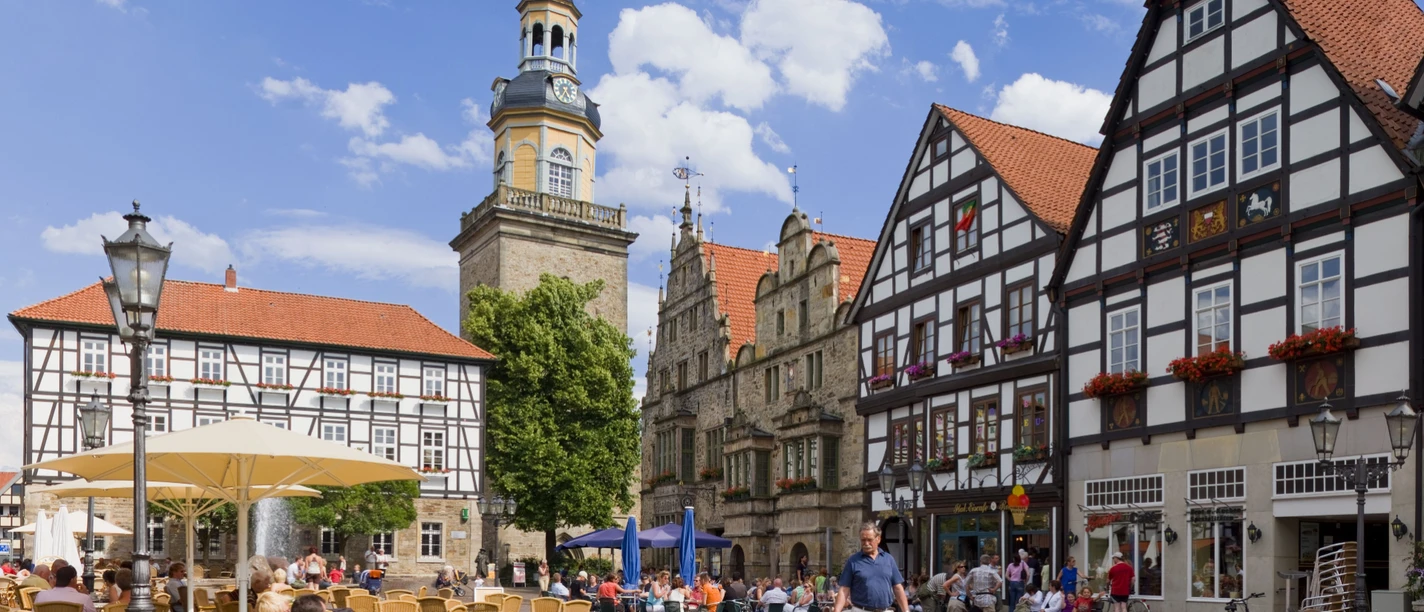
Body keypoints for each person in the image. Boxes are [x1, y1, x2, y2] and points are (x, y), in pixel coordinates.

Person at [830, 522, 908, 612]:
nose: (866, 543)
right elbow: (844, 589)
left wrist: (906, 610)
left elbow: (897, 587)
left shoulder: (888, 559)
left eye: (869, 540)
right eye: (863, 540)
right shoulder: (853, 561)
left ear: (878, 539)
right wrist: (837, 610)